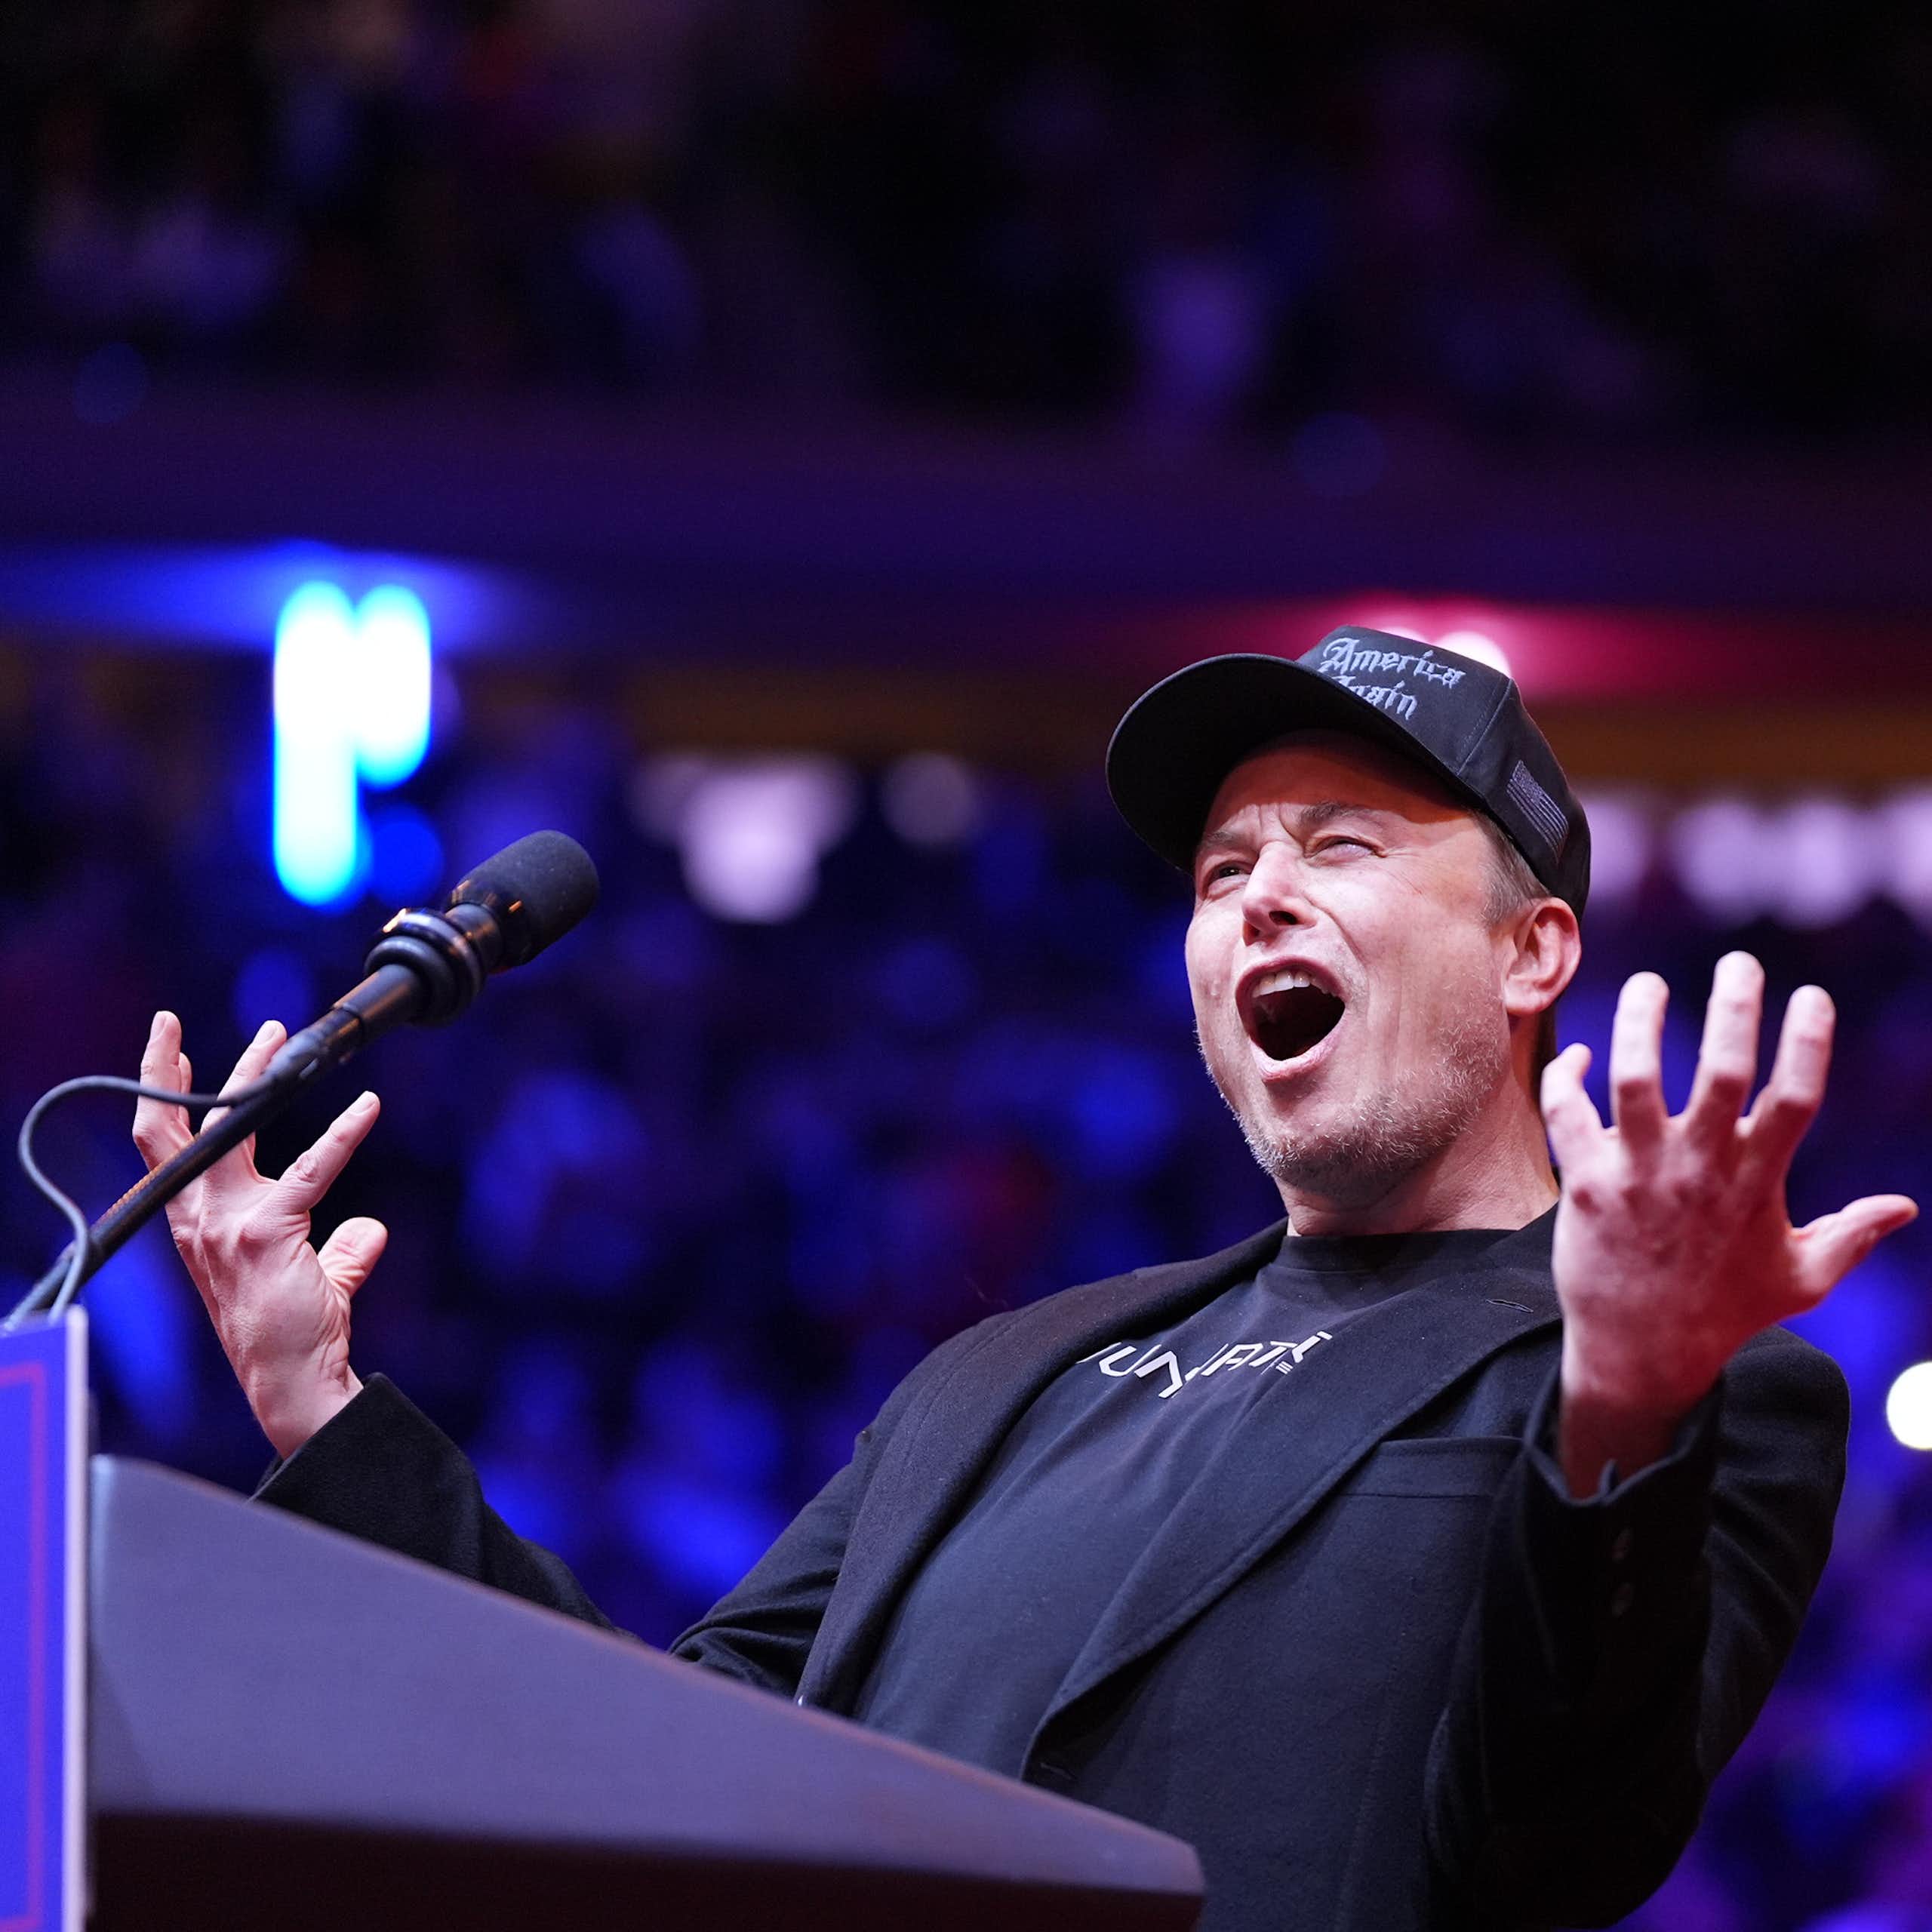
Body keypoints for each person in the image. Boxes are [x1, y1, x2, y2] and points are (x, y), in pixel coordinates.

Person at [134, 629, 1918, 1932]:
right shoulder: (1006, 1371)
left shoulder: (1693, 1384)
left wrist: (1618, 1401)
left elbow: (1550, 1847)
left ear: (1532, 949)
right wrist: (320, 1399)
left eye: (1342, 847)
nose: (1258, 904)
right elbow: (654, 1756)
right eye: (1223, 873)